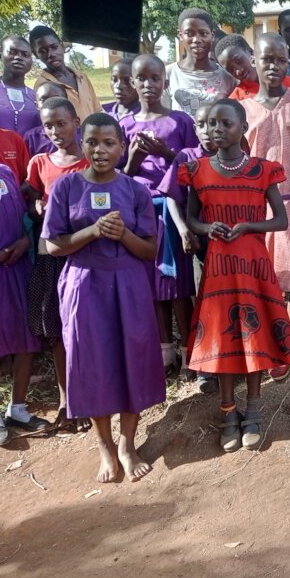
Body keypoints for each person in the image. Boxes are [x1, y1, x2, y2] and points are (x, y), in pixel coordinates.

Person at [42, 112, 165, 481]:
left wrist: (123, 234)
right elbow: (51, 244)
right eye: (92, 142)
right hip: (84, 286)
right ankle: (105, 446)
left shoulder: (135, 190)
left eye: (109, 143)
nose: (100, 150)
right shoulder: (66, 188)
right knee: (91, 363)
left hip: (128, 286)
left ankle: (128, 443)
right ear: (82, 144)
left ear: (121, 147)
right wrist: (93, 231)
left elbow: (149, 250)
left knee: (133, 360)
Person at [179, 99, 290, 450]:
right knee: (224, 339)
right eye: (211, 123)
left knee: (255, 336)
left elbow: (281, 220)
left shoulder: (263, 170)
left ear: (243, 128)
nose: (216, 129)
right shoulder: (198, 170)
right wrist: (205, 226)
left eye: (225, 123)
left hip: (254, 266)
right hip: (218, 268)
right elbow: (192, 219)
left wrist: (248, 226)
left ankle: (254, 410)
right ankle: (229, 413)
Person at [121, 53, 197, 377]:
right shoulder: (124, 124)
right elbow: (119, 177)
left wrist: (166, 153)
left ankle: (189, 351)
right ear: (132, 83)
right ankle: (165, 351)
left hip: (172, 209)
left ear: (165, 81)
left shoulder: (180, 121)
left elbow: (194, 163)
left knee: (177, 283)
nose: (149, 85)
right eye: (142, 79)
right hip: (141, 214)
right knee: (152, 284)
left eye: (156, 78)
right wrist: (134, 159)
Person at [0, 107, 47, 446]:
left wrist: (22, 243)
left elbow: (23, 218)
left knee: (25, 331)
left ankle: (17, 406)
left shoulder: (4, 171)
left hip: (16, 264)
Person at [241, 33, 290, 351]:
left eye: (280, 60)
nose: (273, 66)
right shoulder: (241, 109)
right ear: (254, 61)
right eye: (266, 59)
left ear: (289, 63)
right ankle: (272, 350)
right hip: (257, 211)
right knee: (263, 286)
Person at [24, 97, 91, 432]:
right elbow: (30, 191)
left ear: (76, 122)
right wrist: (35, 199)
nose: (55, 131)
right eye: (48, 125)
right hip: (53, 255)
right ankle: (67, 401)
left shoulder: (90, 160)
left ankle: (91, 396)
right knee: (58, 332)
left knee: (86, 329)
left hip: (87, 255)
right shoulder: (39, 162)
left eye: (61, 123)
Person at [156, 102, 218, 390]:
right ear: (195, 128)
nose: (210, 130)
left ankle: (236, 359)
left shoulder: (236, 159)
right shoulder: (187, 157)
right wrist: (183, 230)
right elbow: (171, 196)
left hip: (232, 246)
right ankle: (206, 364)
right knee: (202, 303)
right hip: (200, 244)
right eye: (203, 124)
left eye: (216, 123)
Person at [166, 8, 236, 114]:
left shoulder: (227, 78)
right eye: (189, 33)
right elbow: (162, 120)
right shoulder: (167, 74)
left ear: (212, 35)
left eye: (203, 33)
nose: (197, 40)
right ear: (180, 35)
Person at [29, 26, 101, 122]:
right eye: (43, 51)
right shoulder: (42, 87)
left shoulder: (82, 77)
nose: (51, 54)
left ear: (62, 46)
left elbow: (97, 110)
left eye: (54, 47)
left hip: (92, 135)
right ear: (35, 54)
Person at [0, 36, 39, 135]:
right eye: (12, 52)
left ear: (31, 61)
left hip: (29, 150)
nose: (19, 57)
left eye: (25, 54)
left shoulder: (36, 96)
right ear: (0, 55)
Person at [24, 82, 67, 156]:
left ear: (66, 101)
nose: (50, 103)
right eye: (44, 99)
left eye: (56, 98)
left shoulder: (80, 133)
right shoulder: (32, 137)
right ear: (37, 105)